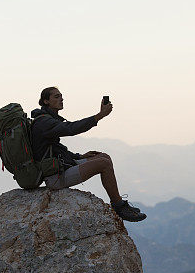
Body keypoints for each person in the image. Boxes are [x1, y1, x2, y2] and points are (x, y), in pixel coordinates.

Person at [29, 86, 146, 222]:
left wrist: (79, 156)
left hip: (60, 167)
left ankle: (118, 203)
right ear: (46, 101)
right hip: (54, 177)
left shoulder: (47, 119)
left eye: (61, 96)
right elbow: (71, 128)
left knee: (104, 156)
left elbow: (55, 148)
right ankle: (118, 206)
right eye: (56, 96)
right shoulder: (44, 122)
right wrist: (99, 116)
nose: (61, 99)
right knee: (104, 164)